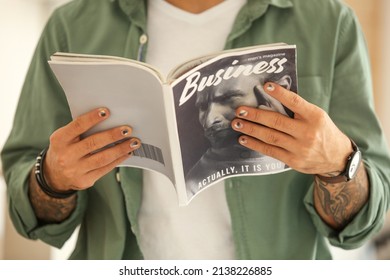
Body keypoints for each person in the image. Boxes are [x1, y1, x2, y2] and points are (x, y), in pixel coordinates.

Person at [1, 0, 390, 260]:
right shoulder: (73, 26)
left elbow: (363, 221)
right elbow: (27, 206)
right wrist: (53, 178)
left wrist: (339, 164)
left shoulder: (328, 21)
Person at [186, 73, 292, 196]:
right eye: (203, 106)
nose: (210, 120)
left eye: (230, 98)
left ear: (281, 88)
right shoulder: (192, 183)